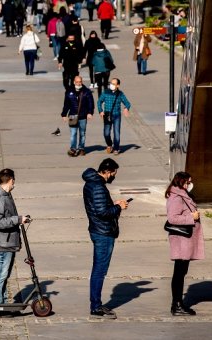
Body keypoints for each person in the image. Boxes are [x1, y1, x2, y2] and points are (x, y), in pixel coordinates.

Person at [82, 158, 129, 319]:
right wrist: (118, 207)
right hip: (103, 232)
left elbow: (99, 207)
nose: (114, 176)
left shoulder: (92, 183)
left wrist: (113, 204)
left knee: (98, 269)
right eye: (114, 173)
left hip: (98, 230)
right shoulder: (98, 187)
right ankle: (95, 306)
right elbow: (102, 213)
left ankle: (96, 304)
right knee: (99, 270)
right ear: (107, 172)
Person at [0, 169, 30, 313]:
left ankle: (3, 303)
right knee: (1, 274)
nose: (14, 185)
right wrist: (17, 219)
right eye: (14, 181)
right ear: (11, 180)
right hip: (3, 242)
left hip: (7, 241)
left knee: (3, 275)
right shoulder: (0, 197)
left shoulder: (5, 194)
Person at [165, 172, 204, 316]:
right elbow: (172, 218)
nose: (190, 184)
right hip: (181, 240)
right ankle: (177, 305)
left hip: (185, 240)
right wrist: (191, 217)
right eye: (188, 182)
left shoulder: (182, 194)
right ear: (182, 182)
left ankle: (178, 304)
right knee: (179, 273)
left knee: (181, 273)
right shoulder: (177, 197)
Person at [61, 75, 94, 157]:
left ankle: (81, 148)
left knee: (82, 133)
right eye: (77, 82)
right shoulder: (69, 91)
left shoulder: (86, 91)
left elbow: (91, 103)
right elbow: (66, 104)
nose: (79, 83)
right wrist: (64, 114)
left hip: (83, 116)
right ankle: (73, 148)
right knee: (73, 133)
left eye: (80, 82)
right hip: (72, 116)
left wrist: (90, 113)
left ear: (82, 82)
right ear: (74, 82)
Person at [97, 78, 131, 155]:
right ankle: (109, 144)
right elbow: (99, 101)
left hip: (116, 116)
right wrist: (100, 111)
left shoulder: (120, 94)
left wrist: (126, 108)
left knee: (117, 133)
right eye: (111, 83)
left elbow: (127, 103)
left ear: (118, 85)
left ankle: (116, 148)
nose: (111, 85)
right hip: (107, 115)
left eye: (113, 84)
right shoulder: (105, 92)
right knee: (106, 133)